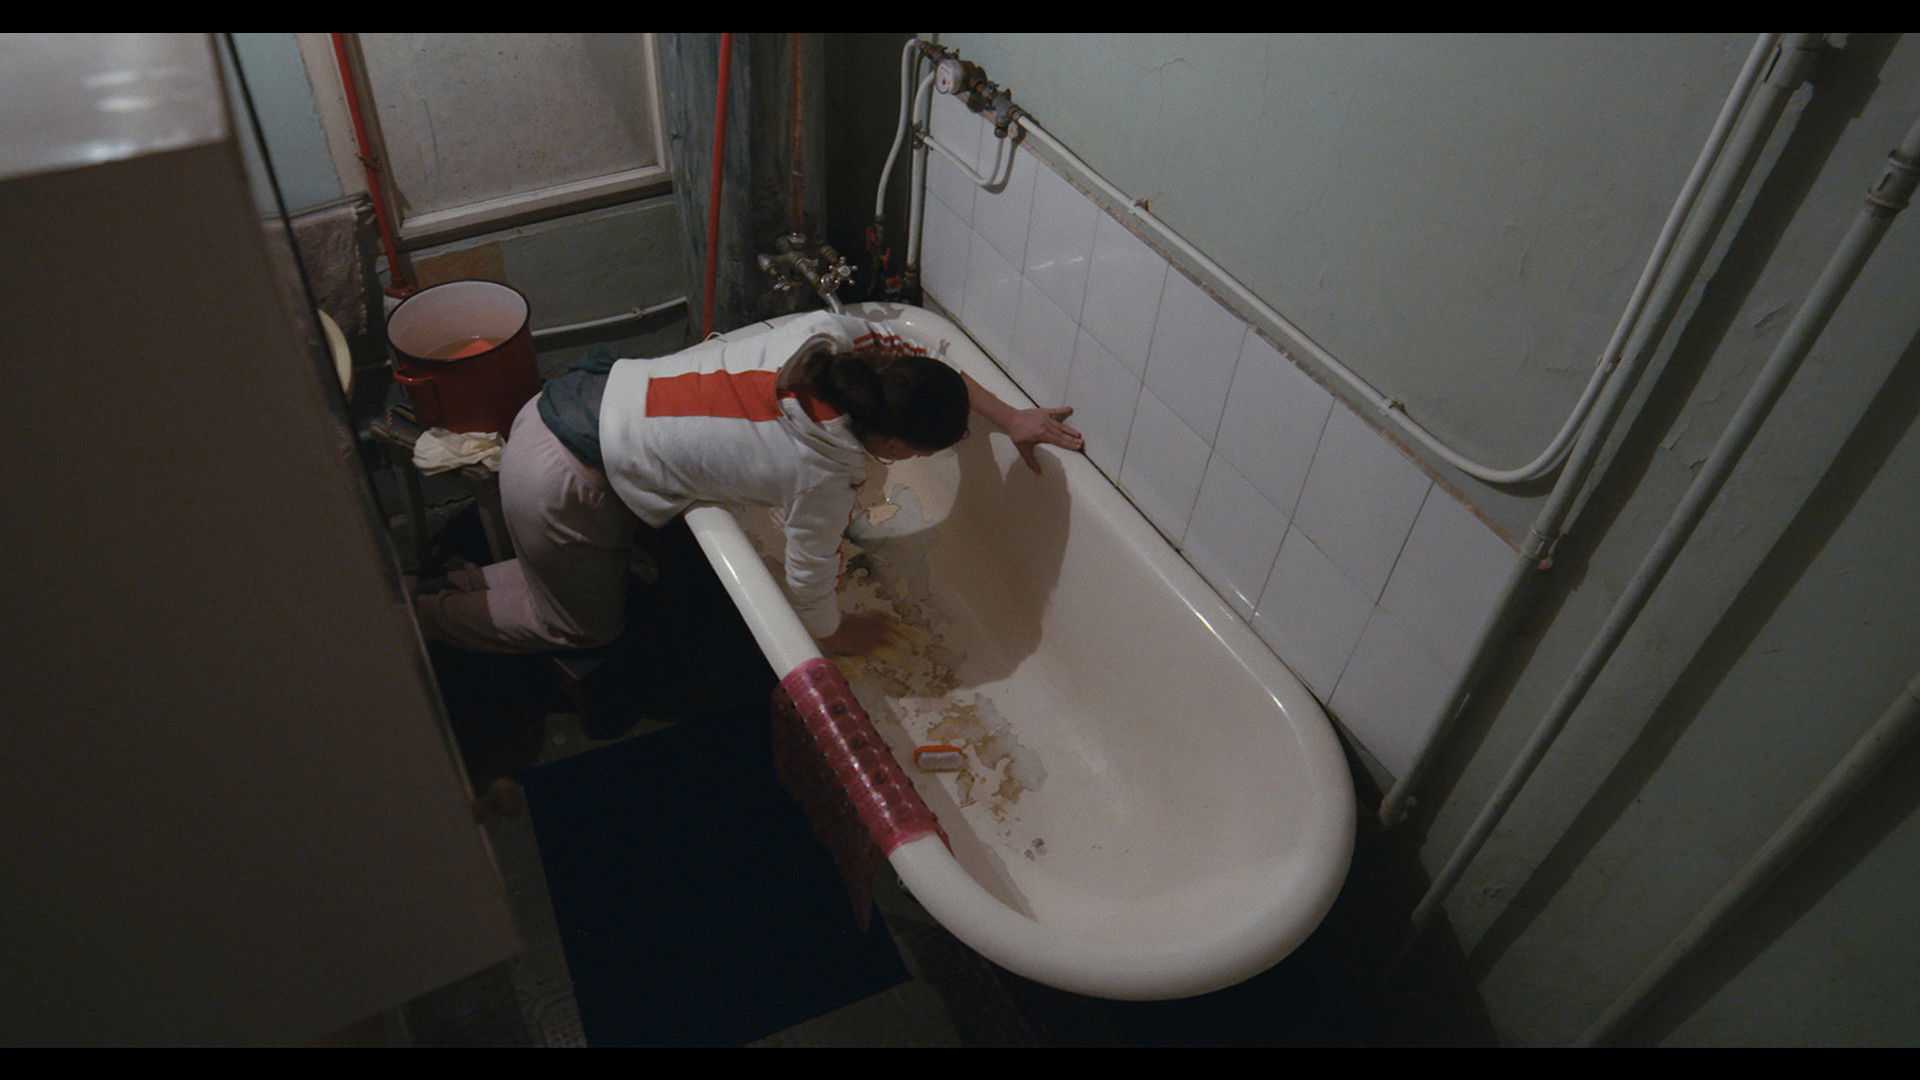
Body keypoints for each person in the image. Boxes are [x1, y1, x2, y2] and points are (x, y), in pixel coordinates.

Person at [414, 308, 1083, 657]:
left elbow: (920, 360)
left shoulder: (829, 339)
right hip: (564, 474)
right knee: (581, 627)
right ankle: (423, 623)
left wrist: (1011, 417)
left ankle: (464, 584)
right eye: (915, 453)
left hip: (562, 405)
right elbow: (808, 573)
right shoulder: (822, 475)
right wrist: (832, 634)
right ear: (890, 446)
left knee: (578, 567)